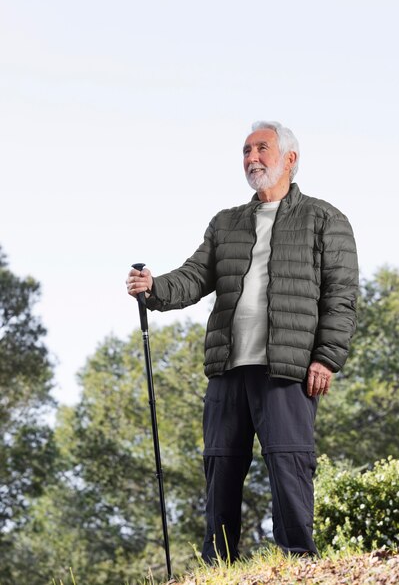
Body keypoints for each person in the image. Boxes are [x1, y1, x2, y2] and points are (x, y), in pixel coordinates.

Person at [126, 121, 359, 561]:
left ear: (289, 158)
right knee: (220, 468)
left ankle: (297, 562)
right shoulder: (226, 223)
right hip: (228, 369)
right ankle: (219, 567)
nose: (252, 158)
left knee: (289, 466)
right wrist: (154, 287)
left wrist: (326, 358)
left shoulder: (325, 219)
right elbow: (194, 277)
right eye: (246, 151)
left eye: (262, 149)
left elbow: (342, 295)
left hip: (287, 369)